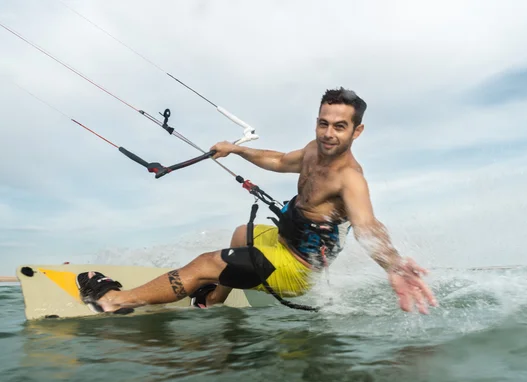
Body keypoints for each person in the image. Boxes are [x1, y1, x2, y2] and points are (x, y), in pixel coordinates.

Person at [77, 87, 438, 315]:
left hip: (297, 268)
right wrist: (236, 149)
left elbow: (367, 226)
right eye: (323, 123)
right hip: (282, 244)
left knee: (205, 262)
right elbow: (280, 161)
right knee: (239, 234)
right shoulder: (314, 150)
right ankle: (215, 301)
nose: (329, 133)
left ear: (357, 130)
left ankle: (114, 301)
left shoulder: (350, 179)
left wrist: (393, 265)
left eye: (340, 126)